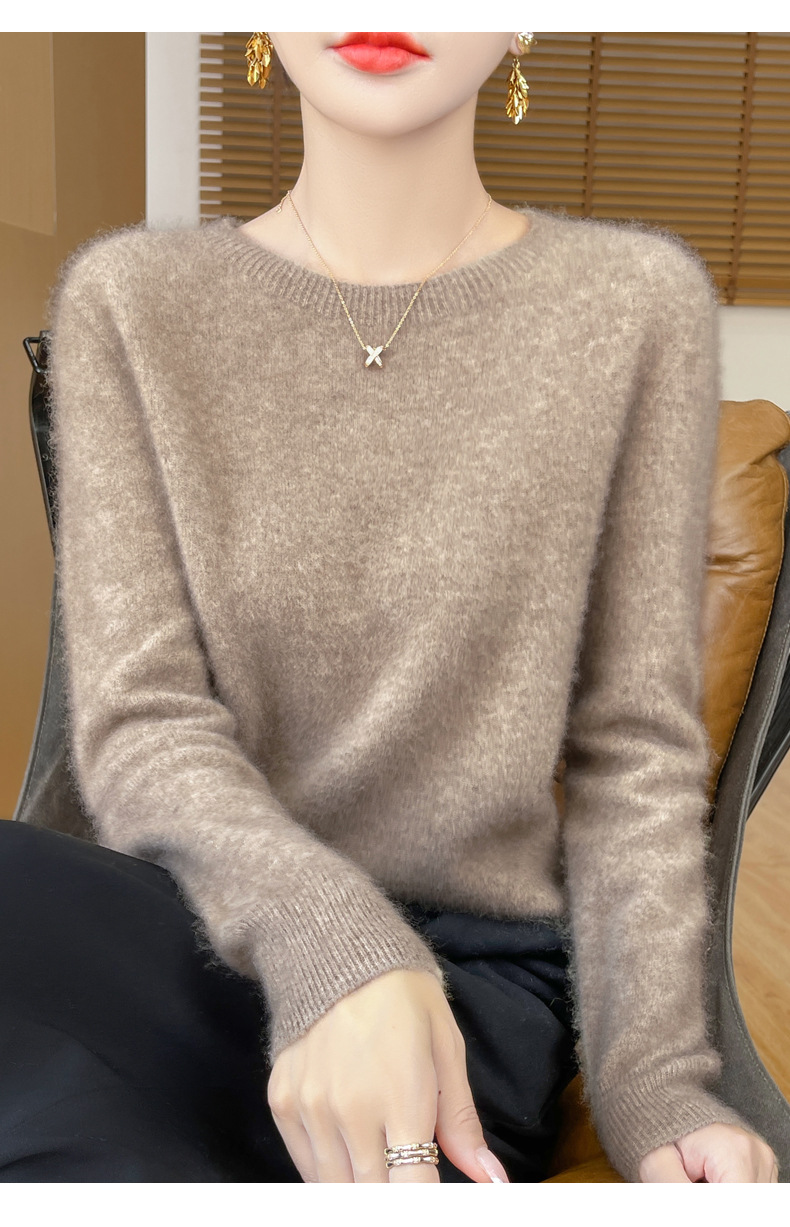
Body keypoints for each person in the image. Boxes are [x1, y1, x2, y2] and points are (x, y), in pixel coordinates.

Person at [0, 31, 780, 1184]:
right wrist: (337, 949)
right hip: (191, 918)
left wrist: (651, 1081)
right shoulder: (131, 301)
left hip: (464, 995)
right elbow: (140, 719)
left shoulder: (630, 305)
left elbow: (633, 750)